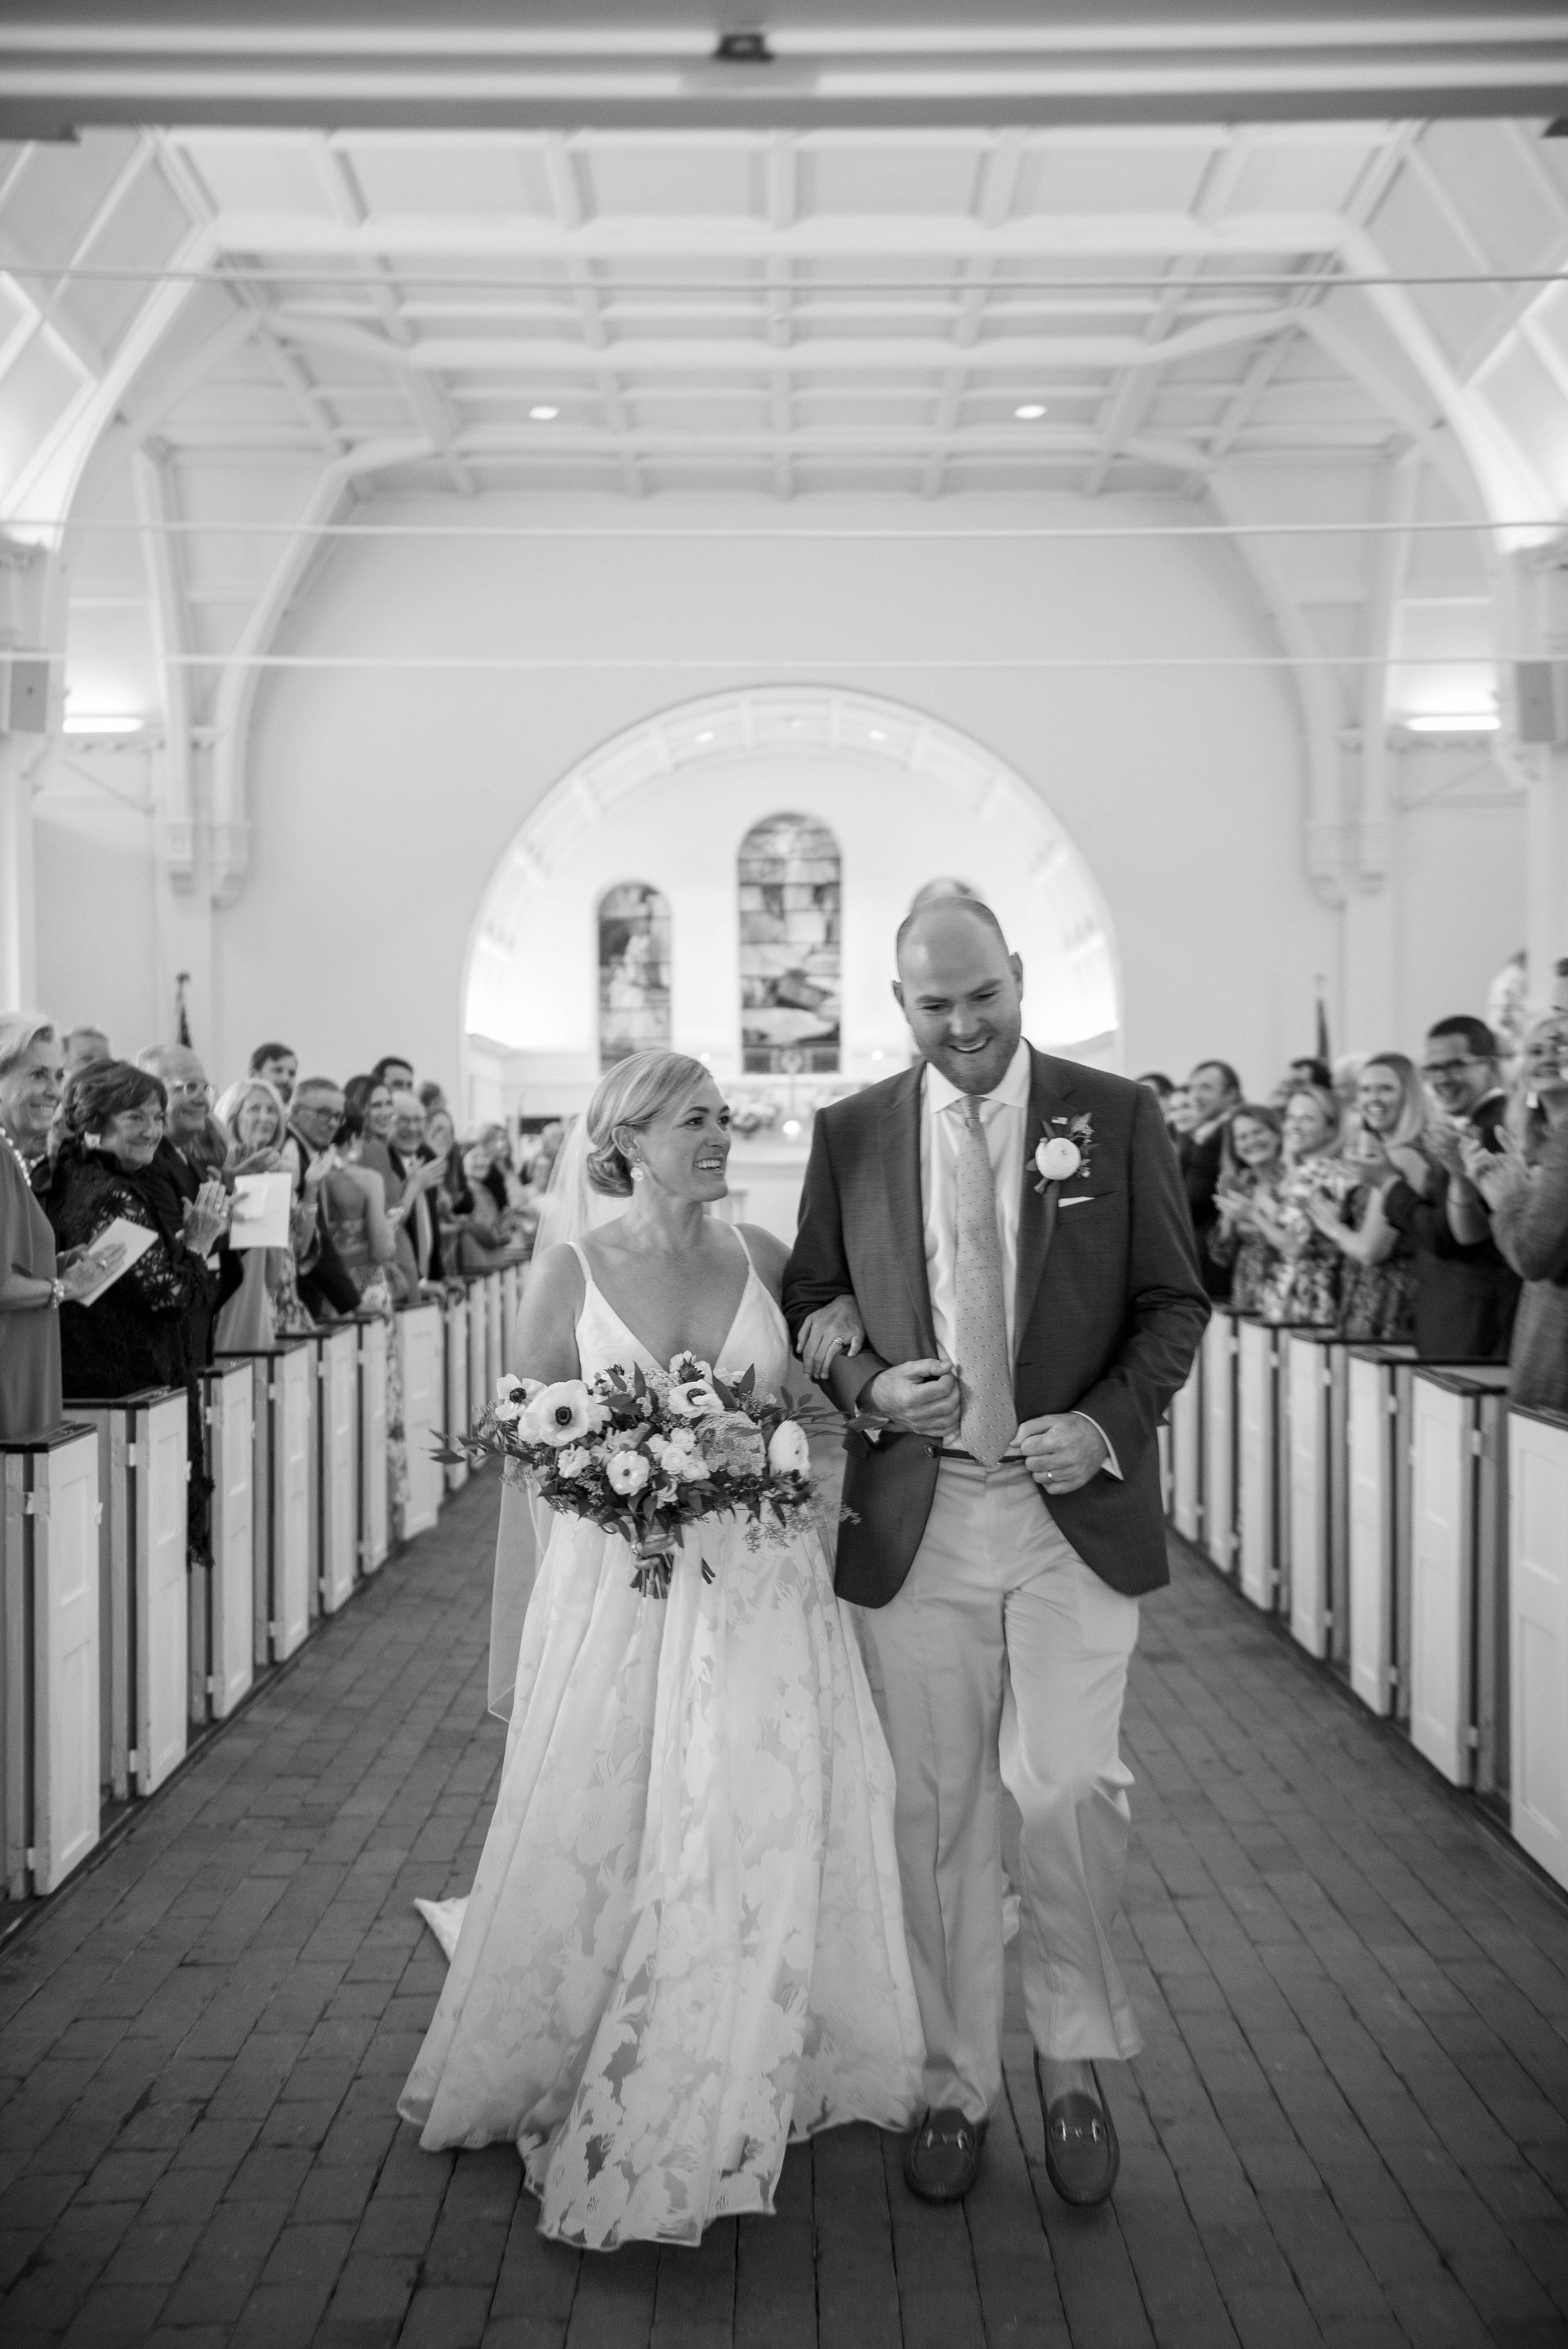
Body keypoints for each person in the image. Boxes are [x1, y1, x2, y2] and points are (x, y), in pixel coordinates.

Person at [400, 1049, 925, 2249]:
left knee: (749, 1806)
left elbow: (820, 1401)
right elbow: (527, 1433)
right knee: (629, 1803)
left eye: (723, 1119)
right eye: (698, 1120)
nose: (720, 1136)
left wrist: (766, 1448)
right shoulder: (573, 1269)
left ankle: (748, 2025)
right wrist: (628, 1473)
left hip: (758, 1594)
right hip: (625, 1600)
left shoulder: (768, 1260)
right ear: (629, 1137)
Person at [783, 898, 1208, 2209]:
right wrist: (864, 1387)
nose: (964, 1028)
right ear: (898, 1006)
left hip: (1066, 1507)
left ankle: (1071, 2061)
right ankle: (956, 2080)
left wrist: (1105, 1421)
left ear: (1021, 979)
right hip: (921, 1514)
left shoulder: (1115, 1112)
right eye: (934, 1006)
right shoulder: (852, 1132)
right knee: (939, 1809)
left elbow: (1172, 1302)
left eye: (983, 997)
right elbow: (811, 1294)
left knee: (1068, 1784)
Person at [42, 1061, 227, 1403]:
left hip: (102, 1385)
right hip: (129, 1392)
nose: (152, 1131)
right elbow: (169, 1297)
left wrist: (181, 1244)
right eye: (135, 1117)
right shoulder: (115, 1194)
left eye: (157, 1118)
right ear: (95, 1120)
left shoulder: (75, 1173)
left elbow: (126, 1281)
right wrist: (200, 1242)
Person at [0, 1015, 122, 1441]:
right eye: (36, 1074)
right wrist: (61, 1289)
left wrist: (57, 1268)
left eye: (57, 1074)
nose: (54, 1090)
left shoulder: (12, 1156)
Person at [1381, 1017, 1520, 1362]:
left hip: (1477, 1319)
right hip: (1453, 1317)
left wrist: (1388, 1184)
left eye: (1455, 1065)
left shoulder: (1494, 1131)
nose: (1441, 1078)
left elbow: (1452, 1238)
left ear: (1488, 1063)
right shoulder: (1465, 1127)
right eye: (1432, 1069)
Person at [1462, 1017, 1568, 1415]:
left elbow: (1533, 1256)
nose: (1548, 1057)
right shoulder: (1544, 1144)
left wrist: (1507, 1199)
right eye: (1536, 1050)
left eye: (1561, 1045)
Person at [1306, 1053, 1426, 1342]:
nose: (1374, 1098)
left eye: (1386, 1089)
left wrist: (1333, 1227)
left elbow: (1371, 1250)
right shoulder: (1390, 1150)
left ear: (1409, 1095)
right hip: (1370, 1295)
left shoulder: (1402, 1156)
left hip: (1387, 1301)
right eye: (1366, 1089)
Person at [1250, 1084, 1344, 1328]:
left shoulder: (1325, 1174)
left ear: (1331, 1127)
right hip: (1286, 1292)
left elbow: (1294, 1246)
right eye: (1290, 1117)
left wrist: (1252, 1213)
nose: (1294, 1126)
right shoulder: (1301, 1172)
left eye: (1307, 1119)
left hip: (1310, 1297)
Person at [1207, 1103, 1285, 1314]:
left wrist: (1254, 1215)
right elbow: (1221, 1255)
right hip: (1245, 1297)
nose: (1251, 1141)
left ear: (1278, 1134)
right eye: (1242, 1137)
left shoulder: (1293, 1183)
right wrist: (1228, 1215)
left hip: (1284, 1295)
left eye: (1258, 1132)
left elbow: (1298, 1244)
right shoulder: (1243, 1183)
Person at [1177, 1059, 1242, 1299]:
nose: (1195, 1096)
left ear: (1232, 1094)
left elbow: (1191, 1198)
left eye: (1206, 1088)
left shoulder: (1227, 1133)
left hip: (1215, 1256)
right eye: (1192, 1088)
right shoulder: (1202, 1132)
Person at [248, 1041, 297, 1107]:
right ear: (254, 1076)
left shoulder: (297, 1116)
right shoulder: (235, 1114)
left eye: (291, 1074)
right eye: (278, 1071)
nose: (285, 1079)